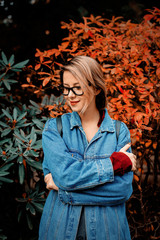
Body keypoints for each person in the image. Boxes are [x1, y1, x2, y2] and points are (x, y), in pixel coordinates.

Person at [39, 56, 137, 240]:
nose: (70, 95)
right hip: (59, 230)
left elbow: (122, 190)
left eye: (77, 87)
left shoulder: (118, 131)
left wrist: (64, 190)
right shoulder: (55, 128)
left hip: (108, 232)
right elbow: (66, 175)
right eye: (66, 88)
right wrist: (113, 165)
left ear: (97, 88)